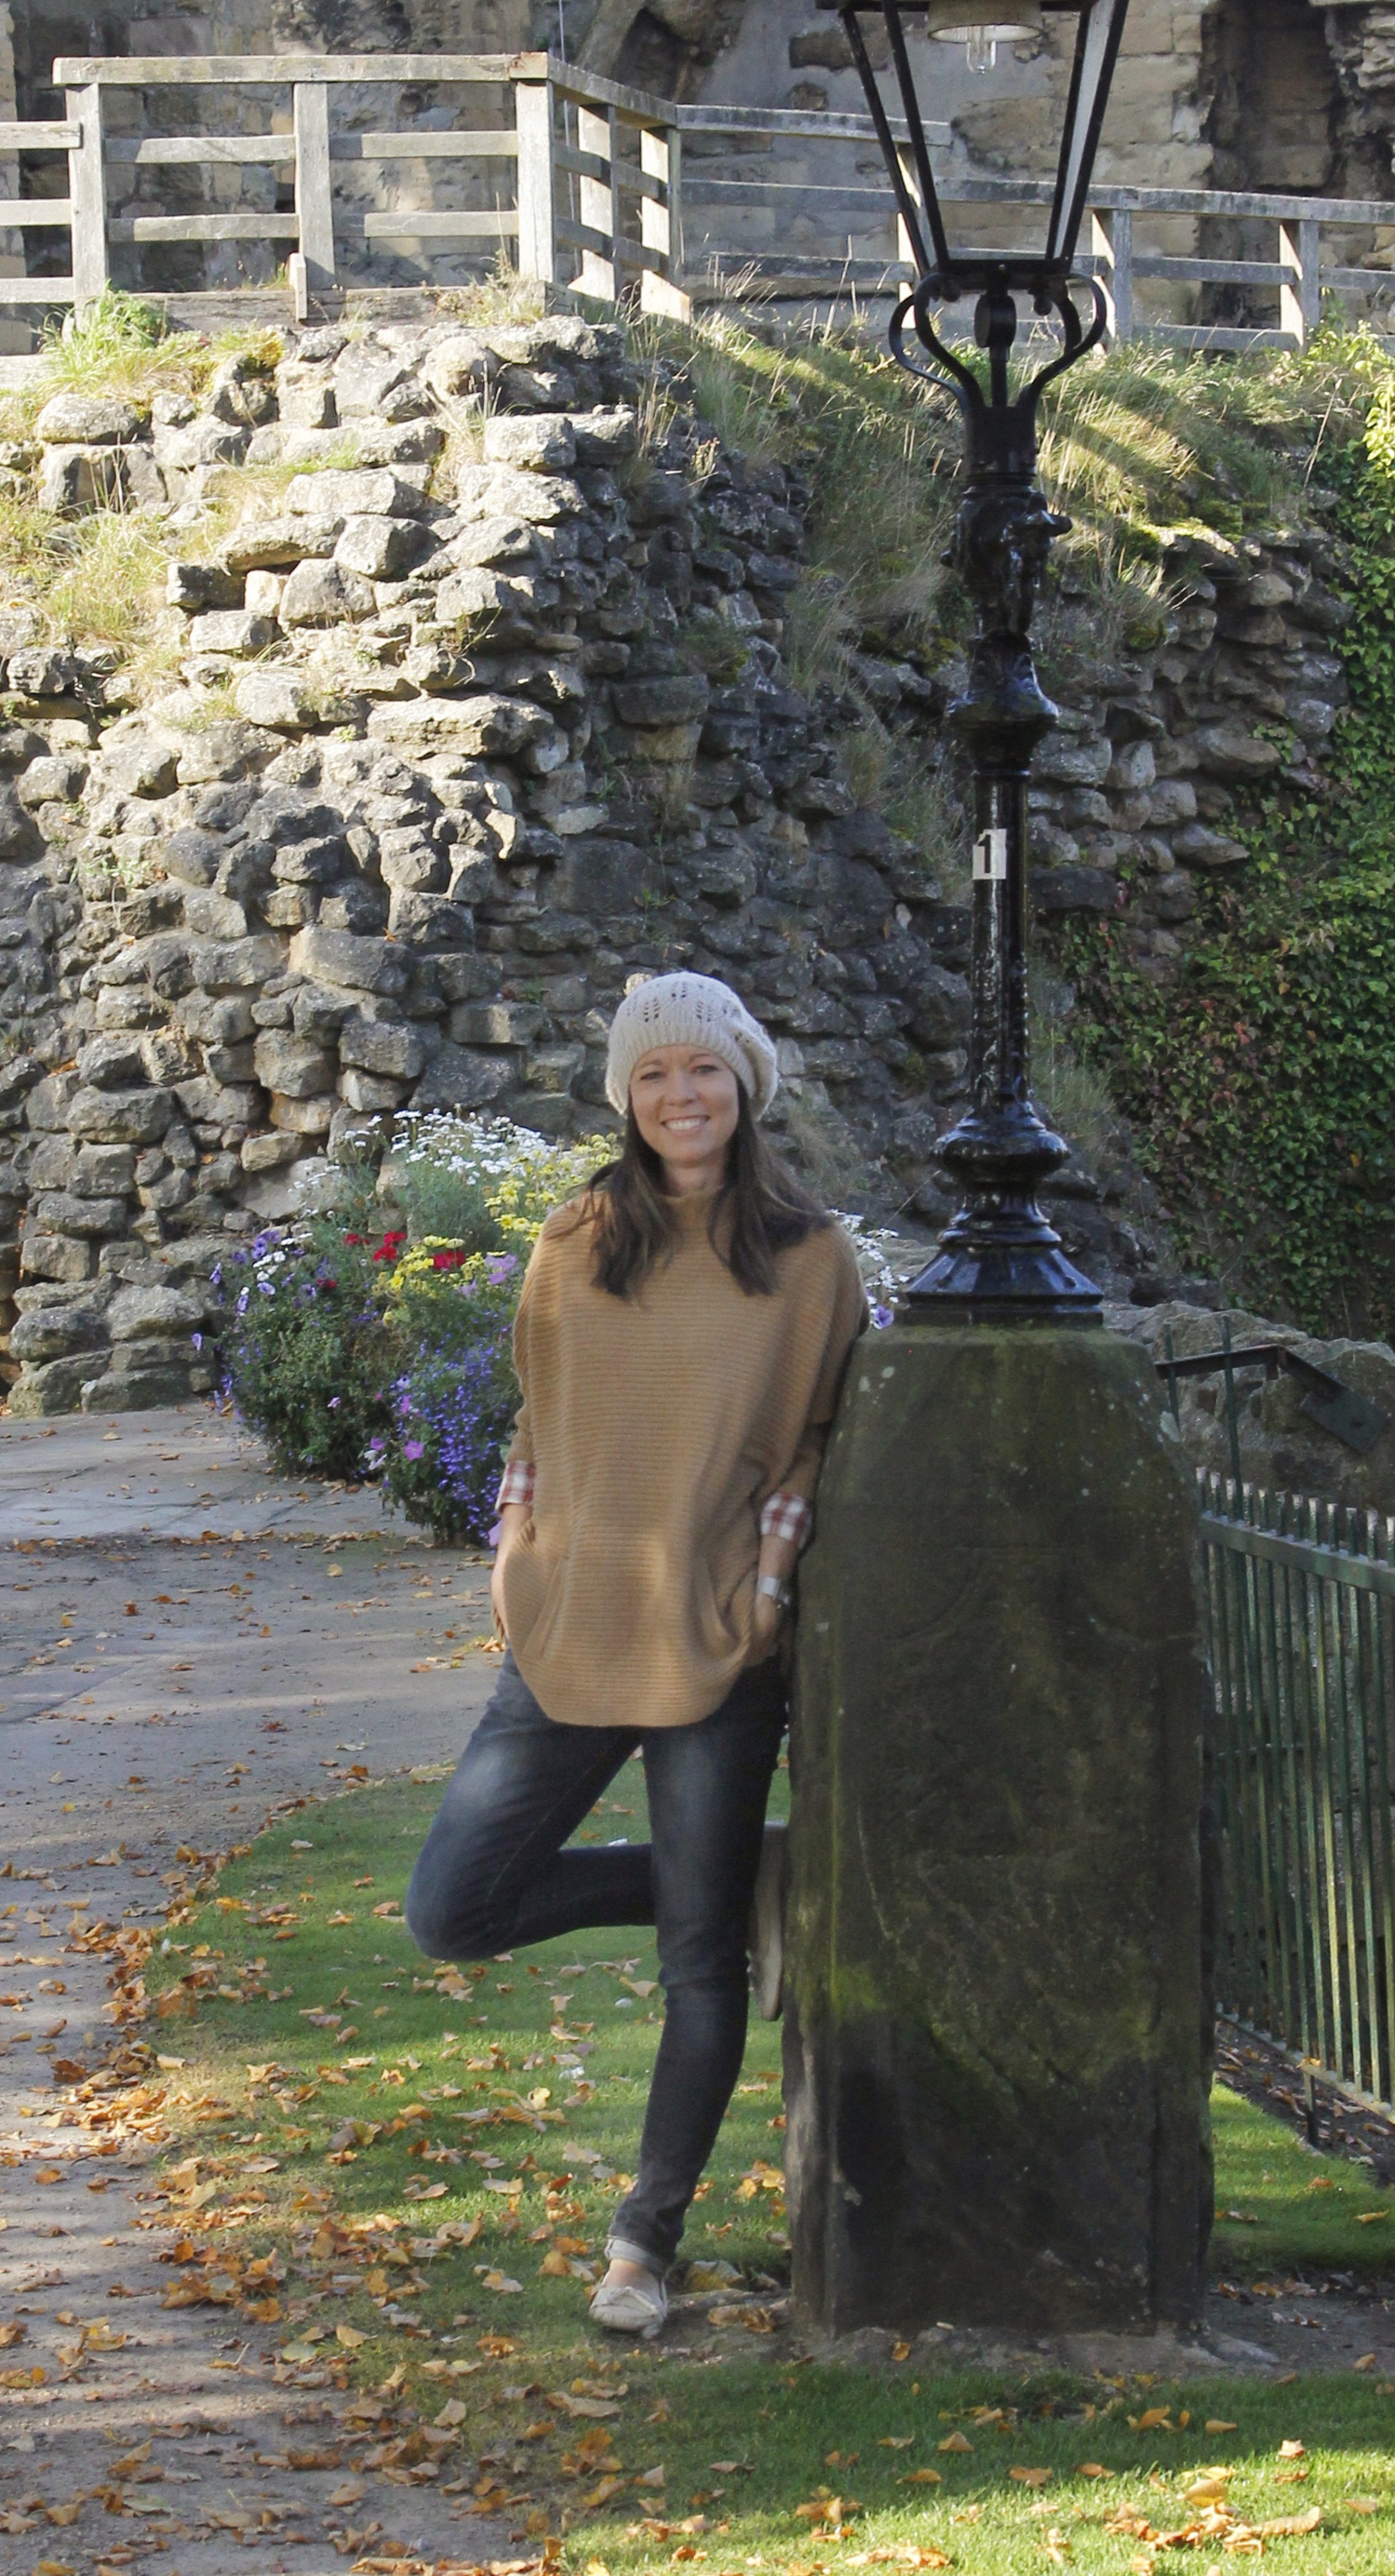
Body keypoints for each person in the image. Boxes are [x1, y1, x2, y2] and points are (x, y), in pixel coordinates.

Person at [402, 972, 866, 2341]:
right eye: (656, 1075)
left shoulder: (809, 1260)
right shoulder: (572, 1242)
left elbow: (817, 1443)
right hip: (570, 1625)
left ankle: (641, 2243)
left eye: (705, 1072)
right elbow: (538, 1422)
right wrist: (513, 1542)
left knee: (697, 1967)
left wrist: (770, 1581)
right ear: (626, 1096)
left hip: (720, 1633)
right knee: (453, 1907)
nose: (682, 1096)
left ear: (745, 1087)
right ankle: (733, 1879)